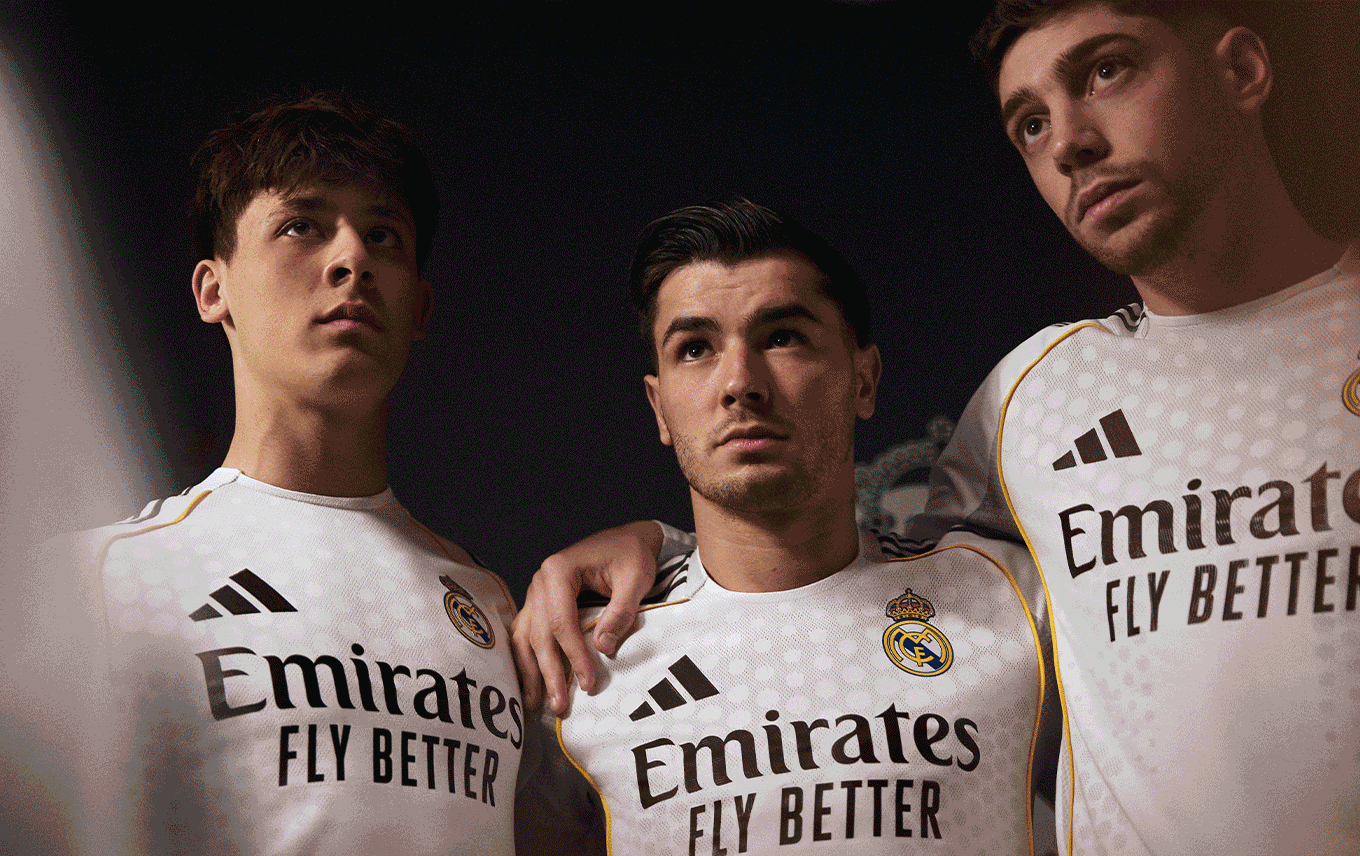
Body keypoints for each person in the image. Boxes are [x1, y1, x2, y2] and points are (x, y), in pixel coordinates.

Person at [512, 3, 1360, 855]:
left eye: (1107, 71)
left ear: (1243, 70)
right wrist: (662, 547)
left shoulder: (1002, 595)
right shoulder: (1035, 397)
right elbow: (831, 568)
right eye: (1030, 124)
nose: (1069, 142)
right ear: (658, 405)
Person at [47, 95, 524, 855]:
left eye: (383, 235)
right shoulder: (101, 580)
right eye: (302, 225)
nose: (351, 259)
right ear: (214, 291)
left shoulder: (492, 608)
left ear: (420, 307)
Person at [516, 199, 1054, 854]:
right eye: (695, 349)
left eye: (782, 337)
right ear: (659, 408)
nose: (740, 382)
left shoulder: (1014, 603)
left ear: (864, 379)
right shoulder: (579, 664)